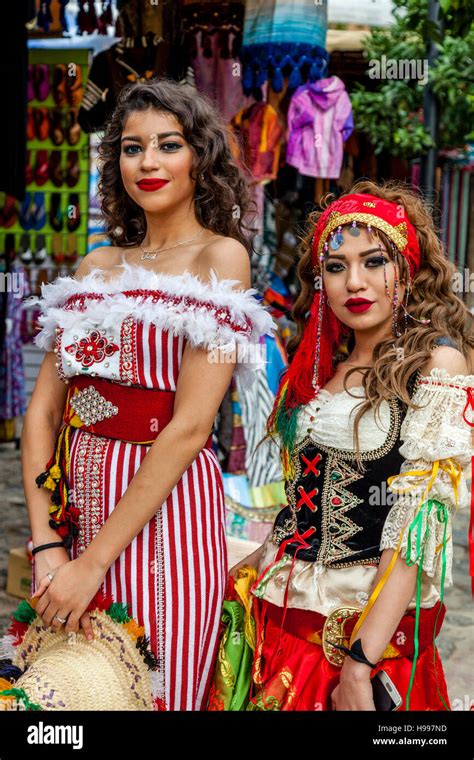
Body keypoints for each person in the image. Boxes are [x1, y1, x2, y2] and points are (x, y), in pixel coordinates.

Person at [17, 78, 275, 711]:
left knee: (155, 693)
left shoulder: (222, 257)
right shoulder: (94, 267)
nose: (150, 162)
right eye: (133, 148)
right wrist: (49, 545)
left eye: (169, 145)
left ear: (200, 157)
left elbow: (190, 427)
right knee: (60, 693)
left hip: (168, 523)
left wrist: (93, 564)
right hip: (74, 513)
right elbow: (45, 411)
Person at [208, 180, 474, 711]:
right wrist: (248, 565)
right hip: (276, 617)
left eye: (375, 261)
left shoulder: (435, 366)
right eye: (335, 266)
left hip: (360, 638)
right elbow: (302, 497)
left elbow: (419, 532)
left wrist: (360, 663)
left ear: (408, 268)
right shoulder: (317, 368)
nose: (355, 281)